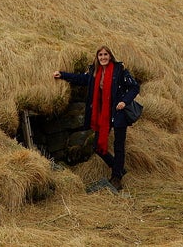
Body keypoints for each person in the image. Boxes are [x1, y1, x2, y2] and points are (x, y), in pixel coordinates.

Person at [53, 46, 140, 190]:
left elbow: (134, 87)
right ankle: (118, 169)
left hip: (118, 112)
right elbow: (81, 79)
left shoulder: (119, 70)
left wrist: (124, 101)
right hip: (102, 113)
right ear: (97, 57)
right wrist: (62, 75)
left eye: (106, 54)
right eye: (100, 55)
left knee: (119, 146)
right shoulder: (94, 72)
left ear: (110, 56)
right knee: (97, 147)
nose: (103, 57)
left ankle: (116, 177)